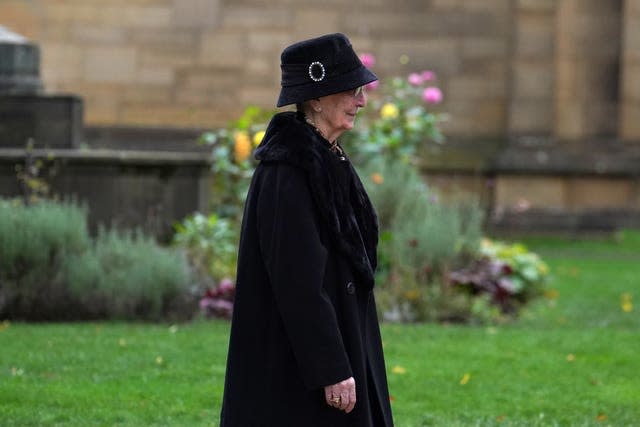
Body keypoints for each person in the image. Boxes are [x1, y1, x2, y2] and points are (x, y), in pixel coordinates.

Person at [220, 33, 394, 427]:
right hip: (295, 369)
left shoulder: (327, 157)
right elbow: (296, 280)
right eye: (352, 90)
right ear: (317, 97)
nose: (362, 101)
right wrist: (330, 366)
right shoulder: (288, 171)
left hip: (341, 340)